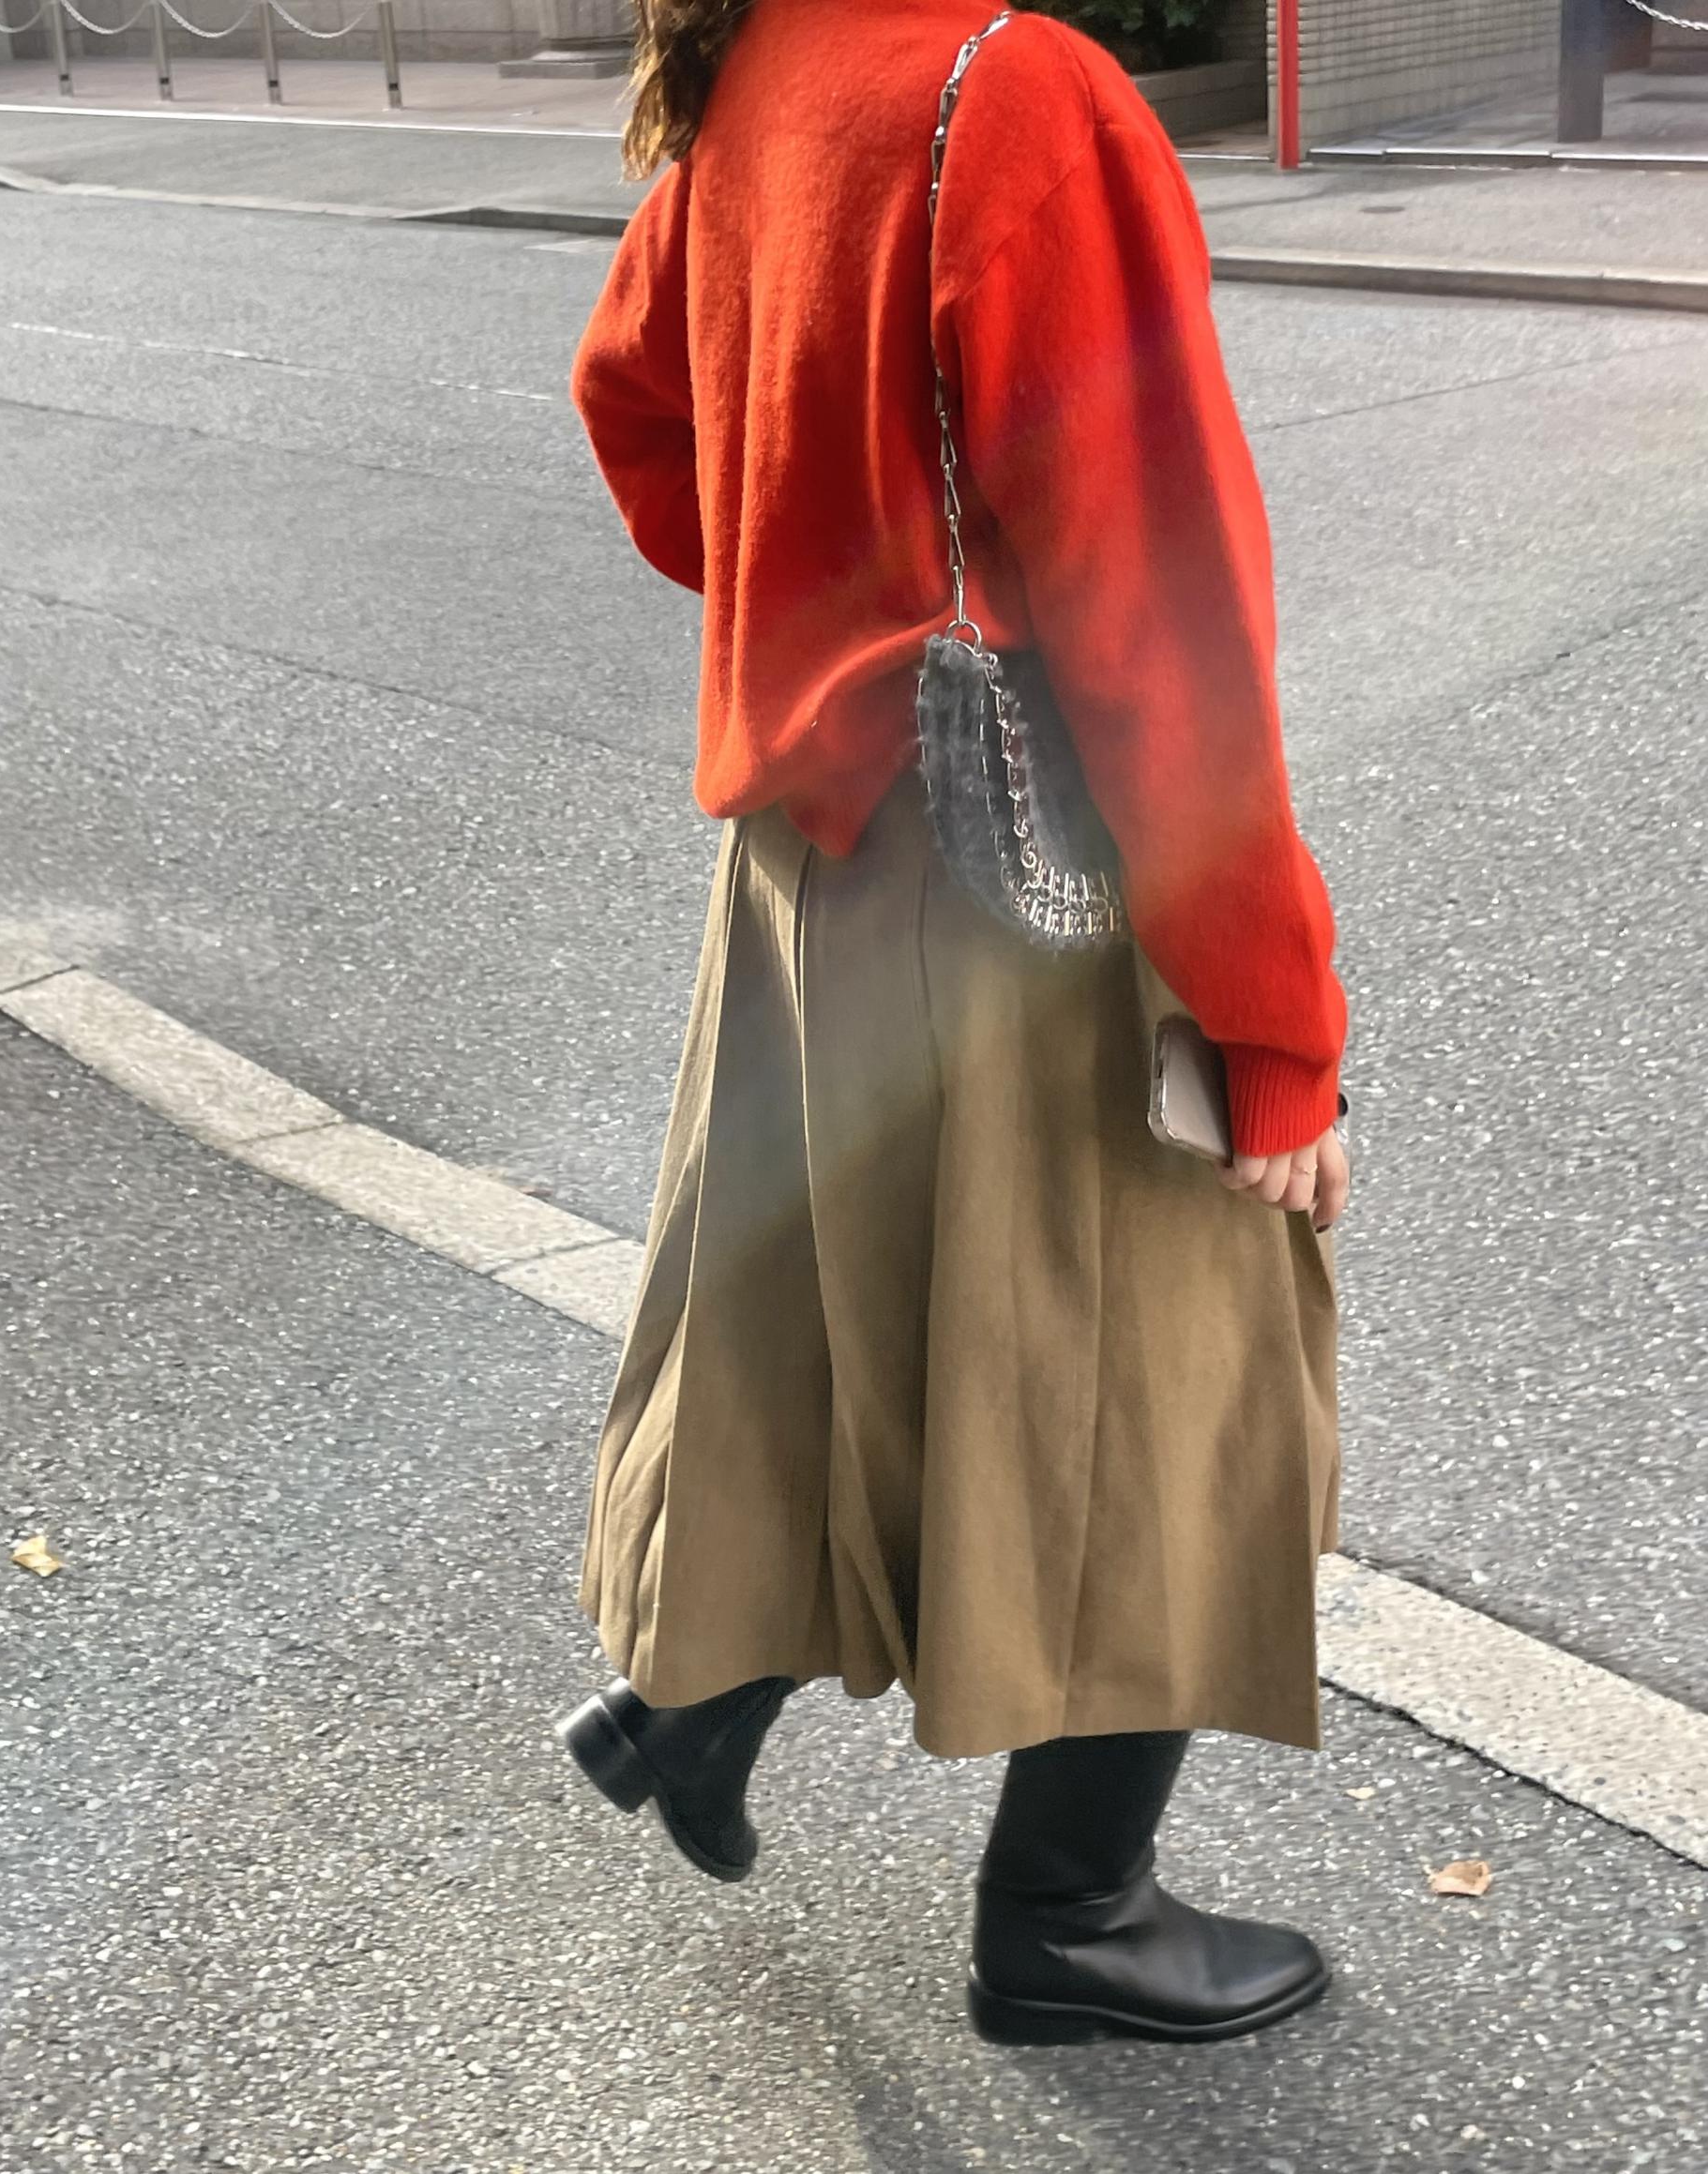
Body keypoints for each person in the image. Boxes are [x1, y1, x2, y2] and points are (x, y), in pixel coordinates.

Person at [558, 0, 1350, 2047]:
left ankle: (693, 1702)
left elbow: (635, 400)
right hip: (1022, 860)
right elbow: (1160, 602)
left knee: (841, 1319)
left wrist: (812, 592)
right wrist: (1274, 1030)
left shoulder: (761, 68)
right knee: (1164, 1376)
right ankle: (1068, 1913)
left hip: (813, 859)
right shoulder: (1022, 95)